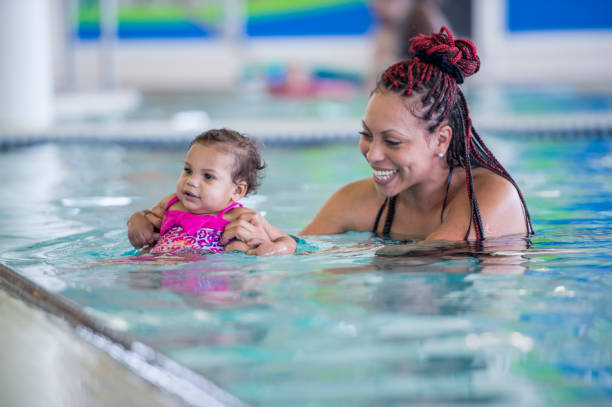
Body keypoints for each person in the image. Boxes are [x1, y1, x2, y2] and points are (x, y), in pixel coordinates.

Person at [131, 27, 533, 255]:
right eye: (366, 136)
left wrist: (282, 245)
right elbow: (305, 252)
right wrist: (255, 237)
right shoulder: (356, 201)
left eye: (392, 141)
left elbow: (429, 260)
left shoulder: (491, 197)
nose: (373, 154)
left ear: (441, 139)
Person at [127, 128, 296, 256]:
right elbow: (146, 216)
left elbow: (288, 241)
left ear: (237, 191)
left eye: (208, 176)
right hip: (159, 265)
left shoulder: (242, 217)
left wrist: (275, 248)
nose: (191, 180)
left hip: (209, 273)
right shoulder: (172, 203)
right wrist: (137, 222)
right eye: (188, 170)